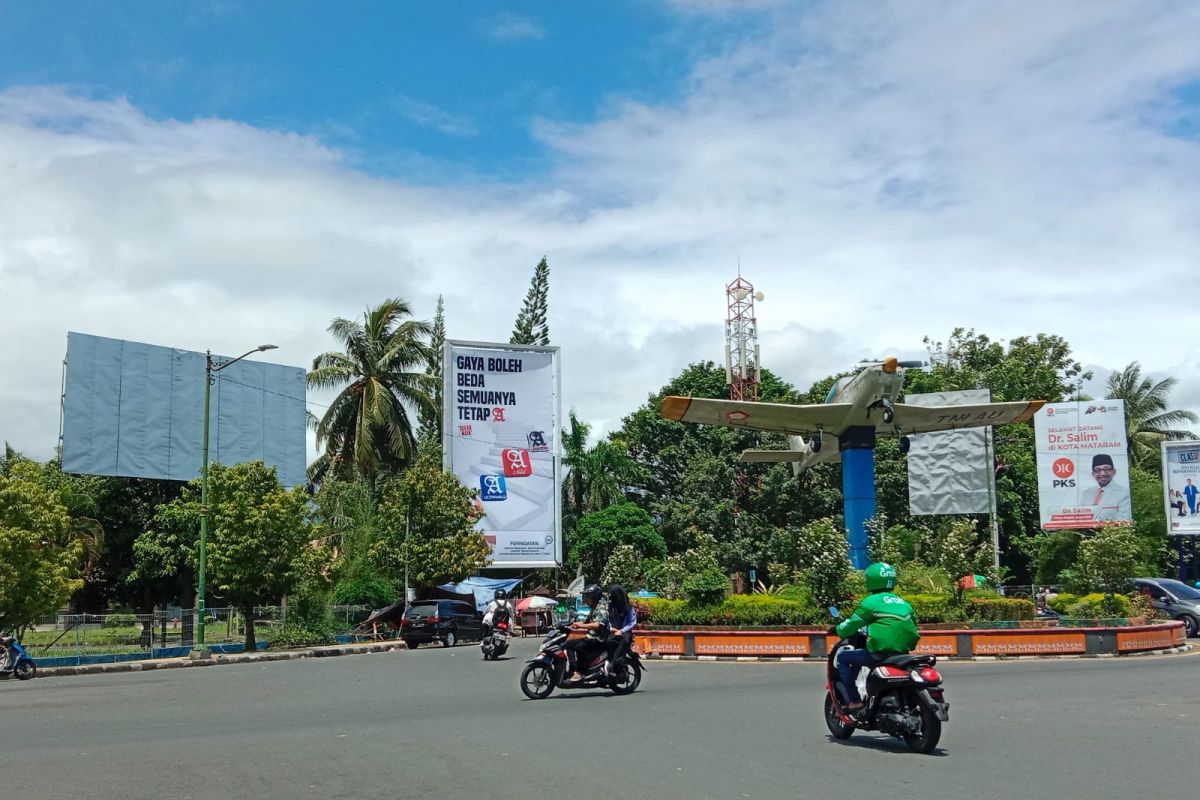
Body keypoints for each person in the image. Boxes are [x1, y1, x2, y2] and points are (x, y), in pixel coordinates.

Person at [833, 562, 921, 712]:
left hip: (879, 653)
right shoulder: (903, 603)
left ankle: (854, 701)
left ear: (870, 579)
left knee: (843, 659)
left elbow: (851, 624)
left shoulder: (871, 602)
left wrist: (838, 629)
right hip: (902, 654)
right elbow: (914, 624)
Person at [566, 584, 609, 683]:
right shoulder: (592, 608)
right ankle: (573, 669)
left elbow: (597, 625)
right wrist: (572, 625)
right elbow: (584, 622)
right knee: (569, 644)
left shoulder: (601, 608)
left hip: (599, 639)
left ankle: (580, 673)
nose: (585, 599)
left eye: (588, 596)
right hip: (591, 637)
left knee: (580, 647)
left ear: (594, 597)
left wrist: (580, 626)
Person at [1084, 453, 1131, 523]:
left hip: (1111, 532)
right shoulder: (1086, 493)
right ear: (1093, 474)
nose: (1102, 473)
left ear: (1113, 472)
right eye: (1097, 470)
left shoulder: (1123, 493)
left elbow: (1124, 519)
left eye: (1106, 469)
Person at [605, 584, 637, 673]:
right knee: (607, 641)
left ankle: (613, 662)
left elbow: (632, 622)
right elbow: (608, 619)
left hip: (625, 631)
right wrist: (612, 628)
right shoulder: (611, 606)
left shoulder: (628, 607)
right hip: (614, 630)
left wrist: (621, 631)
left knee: (623, 641)